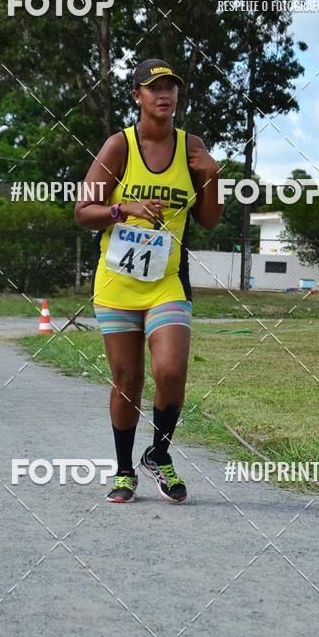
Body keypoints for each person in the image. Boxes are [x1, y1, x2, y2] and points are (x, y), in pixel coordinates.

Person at [75, 58, 222, 503]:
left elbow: (209, 220)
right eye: (154, 88)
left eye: (170, 87)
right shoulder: (119, 147)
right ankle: (124, 471)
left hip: (167, 281)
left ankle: (158, 454)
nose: (164, 94)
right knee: (128, 380)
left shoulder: (191, 147)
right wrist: (123, 209)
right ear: (137, 96)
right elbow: (83, 212)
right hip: (117, 283)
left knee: (171, 370)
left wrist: (213, 177)